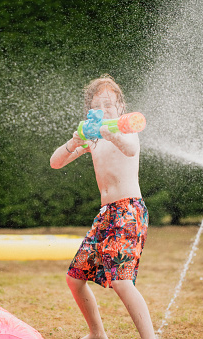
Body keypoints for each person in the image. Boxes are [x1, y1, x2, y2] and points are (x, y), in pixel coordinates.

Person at [50, 75, 155, 339]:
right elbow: (55, 162)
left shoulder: (127, 130)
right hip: (106, 215)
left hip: (128, 212)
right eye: (98, 106)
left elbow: (130, 150)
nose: (104, 110)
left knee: (122, 281)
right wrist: (74, 142)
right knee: (75, 279)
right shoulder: (93, 139)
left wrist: (113, 133)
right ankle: (97, 334)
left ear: (121, 108)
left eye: (109, 104)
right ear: (89, 112)